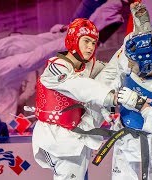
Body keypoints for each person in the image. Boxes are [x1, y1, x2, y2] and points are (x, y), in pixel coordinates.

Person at [0, 0, 127, 126]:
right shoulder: (11, 44)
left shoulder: (14, 43)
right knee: (3, 118)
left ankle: (102, 19)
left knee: (43, 50)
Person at [94, 2, 152, 179]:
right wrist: (107, 102)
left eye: (132, 62)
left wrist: (142, 106)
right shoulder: (133, 61)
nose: (127, 63)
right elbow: (117, 77)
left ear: (146, 65)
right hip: (126, 137)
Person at [32, 18, 123, 180]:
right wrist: (109, 97)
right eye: (86, 41)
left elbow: (111, 72)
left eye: (94, 43)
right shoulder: (55, 67)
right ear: (74, 40)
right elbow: (78, 86)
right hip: (57, 137)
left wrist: (129, 48)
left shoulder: (90, 65)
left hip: (78, 134)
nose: (90, 47)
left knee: (113, 70)